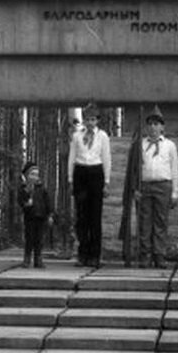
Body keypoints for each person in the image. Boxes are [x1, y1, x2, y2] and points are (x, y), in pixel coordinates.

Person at [67, 102, 111, 267]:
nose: (90, 122)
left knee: (95, 216)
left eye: (93, 119)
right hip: (80, 172)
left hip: (96, 172)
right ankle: (82, 253)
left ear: (97, 120)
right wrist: (70, 178)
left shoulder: (103, 136)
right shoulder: (77, 136)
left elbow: (106, 158)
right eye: (88, 119)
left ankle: (95, 255)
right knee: (82, 216)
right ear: (84, 120)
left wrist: (106, 181)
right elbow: (72, 157)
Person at [137, 105, 178, 269]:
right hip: (145, 186)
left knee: (161, 221)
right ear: (146, 127)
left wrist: (175, 192)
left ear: (162, 127)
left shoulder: (169, 146)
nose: (153, 127)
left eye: (156, 124)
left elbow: (174, 169)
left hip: (163, 186)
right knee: (145, 221)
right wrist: (136, 189)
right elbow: (136, 169)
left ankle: (159, 254)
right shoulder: (141, 145)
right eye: (150, 124)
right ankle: (146, 254)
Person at [18, 161, 54, 268]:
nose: (34, 177)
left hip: (41, 216)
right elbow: (20, 200)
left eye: (36, 174)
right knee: (29, 238)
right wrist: (26, 203)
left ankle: (38, 259)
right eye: (32, 174)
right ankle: (27, 259)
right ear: (26, 175)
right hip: (29, 217)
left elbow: (48, 202)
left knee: (39, 239)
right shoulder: (24, 189)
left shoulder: (42, 188)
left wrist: (50, 214)